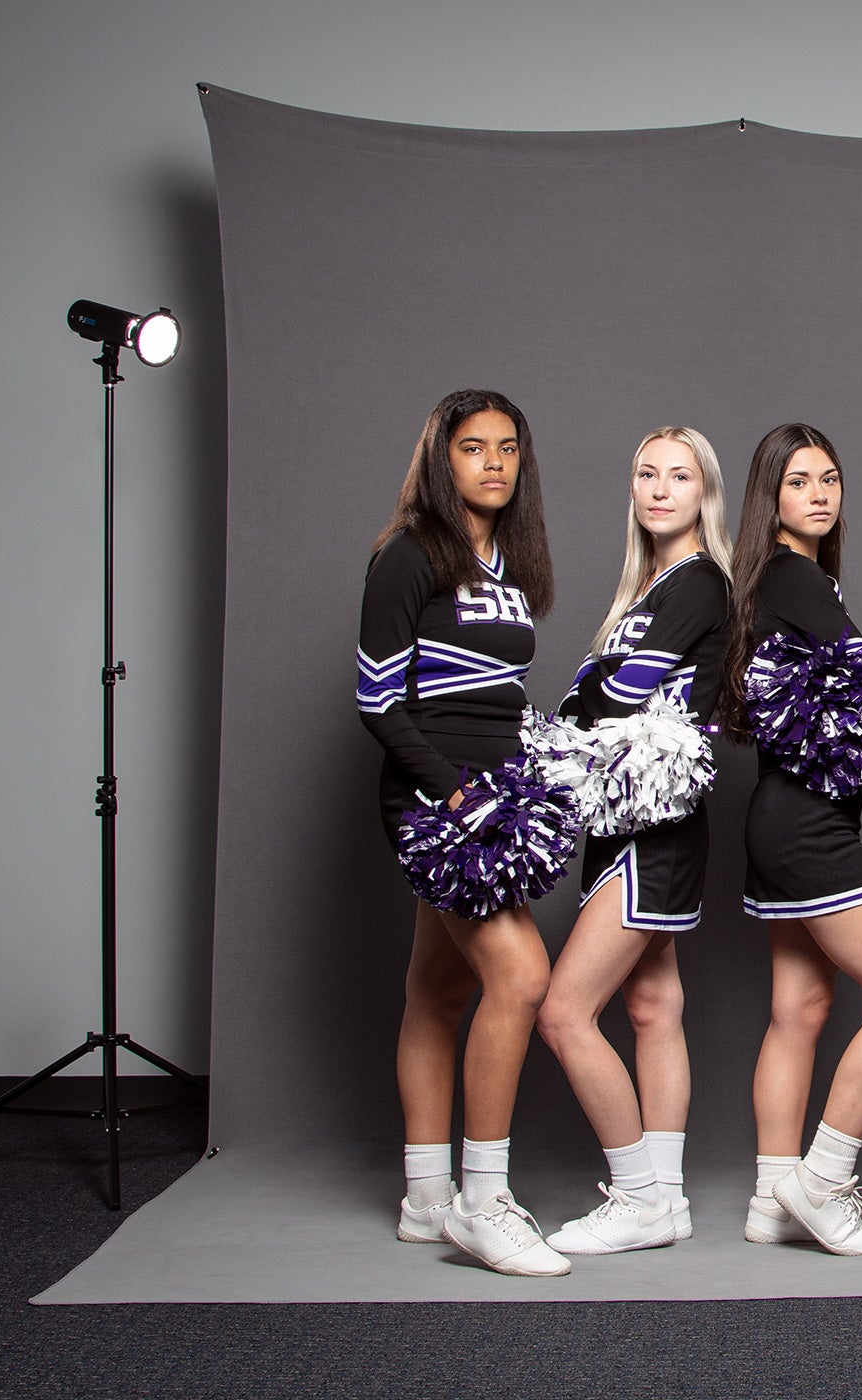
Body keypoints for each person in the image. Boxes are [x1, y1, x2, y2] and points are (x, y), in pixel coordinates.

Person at [357, 388, 568, 1277]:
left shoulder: (508, 565)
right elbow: (378, 700)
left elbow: (495, 695)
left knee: (438, 991)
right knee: (521, 976)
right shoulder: (409, 554)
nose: (493, 463)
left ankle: (424, 1199)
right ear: (442, 459)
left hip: (496, 798)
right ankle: (483, 1203)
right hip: (440, 802)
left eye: (508, 448)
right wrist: (453, 796)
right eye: (474, 447)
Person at [725, 423, 862, 1256]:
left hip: (778, 820)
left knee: (799, 1011)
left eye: (829, 479)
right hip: (808, 829)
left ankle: (770, 1200)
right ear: (770, 496)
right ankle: (818, 1183)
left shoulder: (774, 578)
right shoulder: (795, 575)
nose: (818, 495)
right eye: (798, 481)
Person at [536, 427, 733, 1255]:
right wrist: (584, 708)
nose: (659, 489)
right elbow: (608, 694)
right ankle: (669, 1198)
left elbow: (615, 694)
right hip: (620, 818)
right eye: (647, 474)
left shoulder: (699, 582)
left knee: (564, 1013)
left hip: (657, 825)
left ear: (704, 492)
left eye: (679, 476)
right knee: (653, 1007)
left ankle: (637, 1196)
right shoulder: (647, 588)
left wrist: (567, 716)